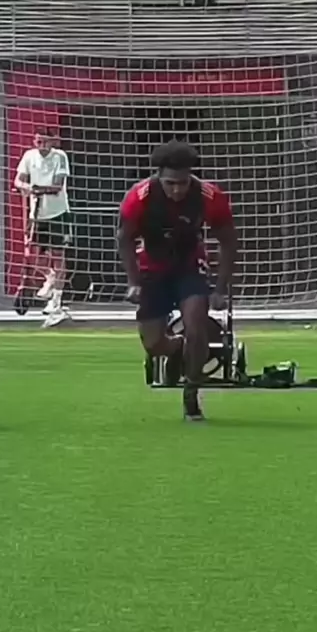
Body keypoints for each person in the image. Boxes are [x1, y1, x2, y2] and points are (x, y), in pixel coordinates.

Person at [117, 140, 238, 421]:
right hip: (152, 268)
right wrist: (133, 281)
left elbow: (229, 242)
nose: (176, 190)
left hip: (189, 266)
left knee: (197, 324)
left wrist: (220, 288)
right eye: (170, 183)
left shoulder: (210, 196)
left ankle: (191, 394)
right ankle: (177, 348)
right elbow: (124, 239)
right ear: (158, 176)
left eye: (182, 183)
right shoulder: (139, 197)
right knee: (153, 344)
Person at [14, 127, 72, 328]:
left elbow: (57, 186)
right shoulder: (29, 156)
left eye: (45, 141)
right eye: (38, 141)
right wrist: (28, 188)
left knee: (58, 256)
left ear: (52, 141)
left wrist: (37, 190)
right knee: (34, 256)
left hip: (58, 213)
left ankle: (56, 300)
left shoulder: (60, 156)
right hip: (36, 215)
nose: (41, 145)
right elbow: (18, 180)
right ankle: (49, 277)